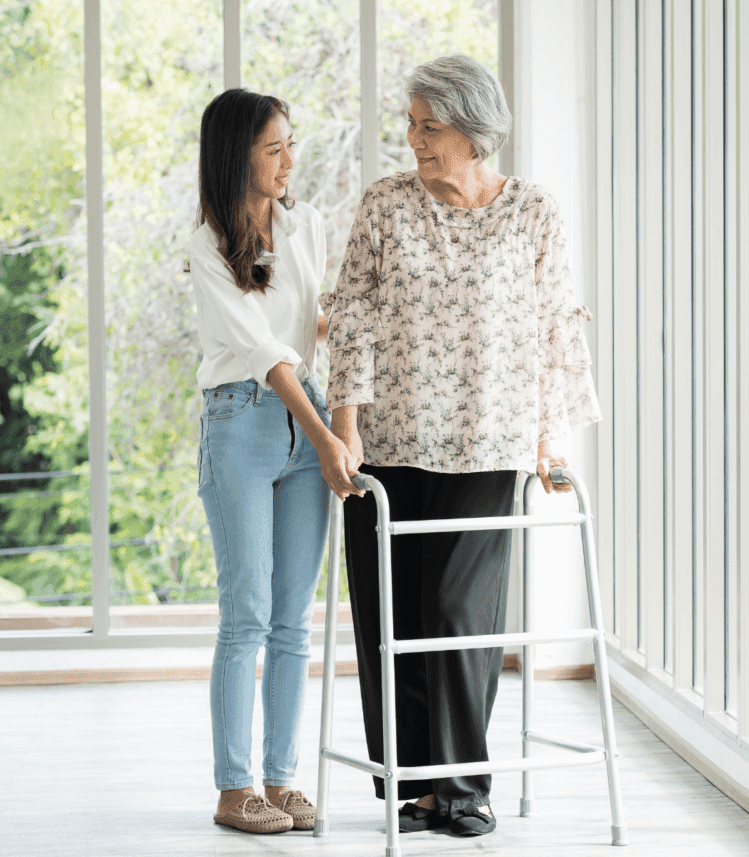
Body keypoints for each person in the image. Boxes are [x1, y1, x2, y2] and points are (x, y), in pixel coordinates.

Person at [322, 55, 602, 838]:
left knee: (455, 609)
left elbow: (555, 323)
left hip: (490, 439)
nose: (412, 138)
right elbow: (352, 319)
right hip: (389, 442)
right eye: (410, 123)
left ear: (475, 133)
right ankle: (414, 787)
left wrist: (551, 438)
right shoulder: (384, 206)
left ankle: (462, 785)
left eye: (429, 126)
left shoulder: (533, 212)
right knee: (392, 610)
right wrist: (344, 426)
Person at [186, 89, 363, 836]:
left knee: (295, 617)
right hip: (244, 422)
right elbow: (265, 352)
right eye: (274, 148)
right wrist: (325, 438)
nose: (291, 159)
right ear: (238, 155)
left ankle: (281, 779)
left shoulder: (303, 227)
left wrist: (356, 319)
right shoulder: (206, 242)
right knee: (248, 613)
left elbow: (311, 322)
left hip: (306, 415)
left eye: (291, 144)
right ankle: (234, 787)